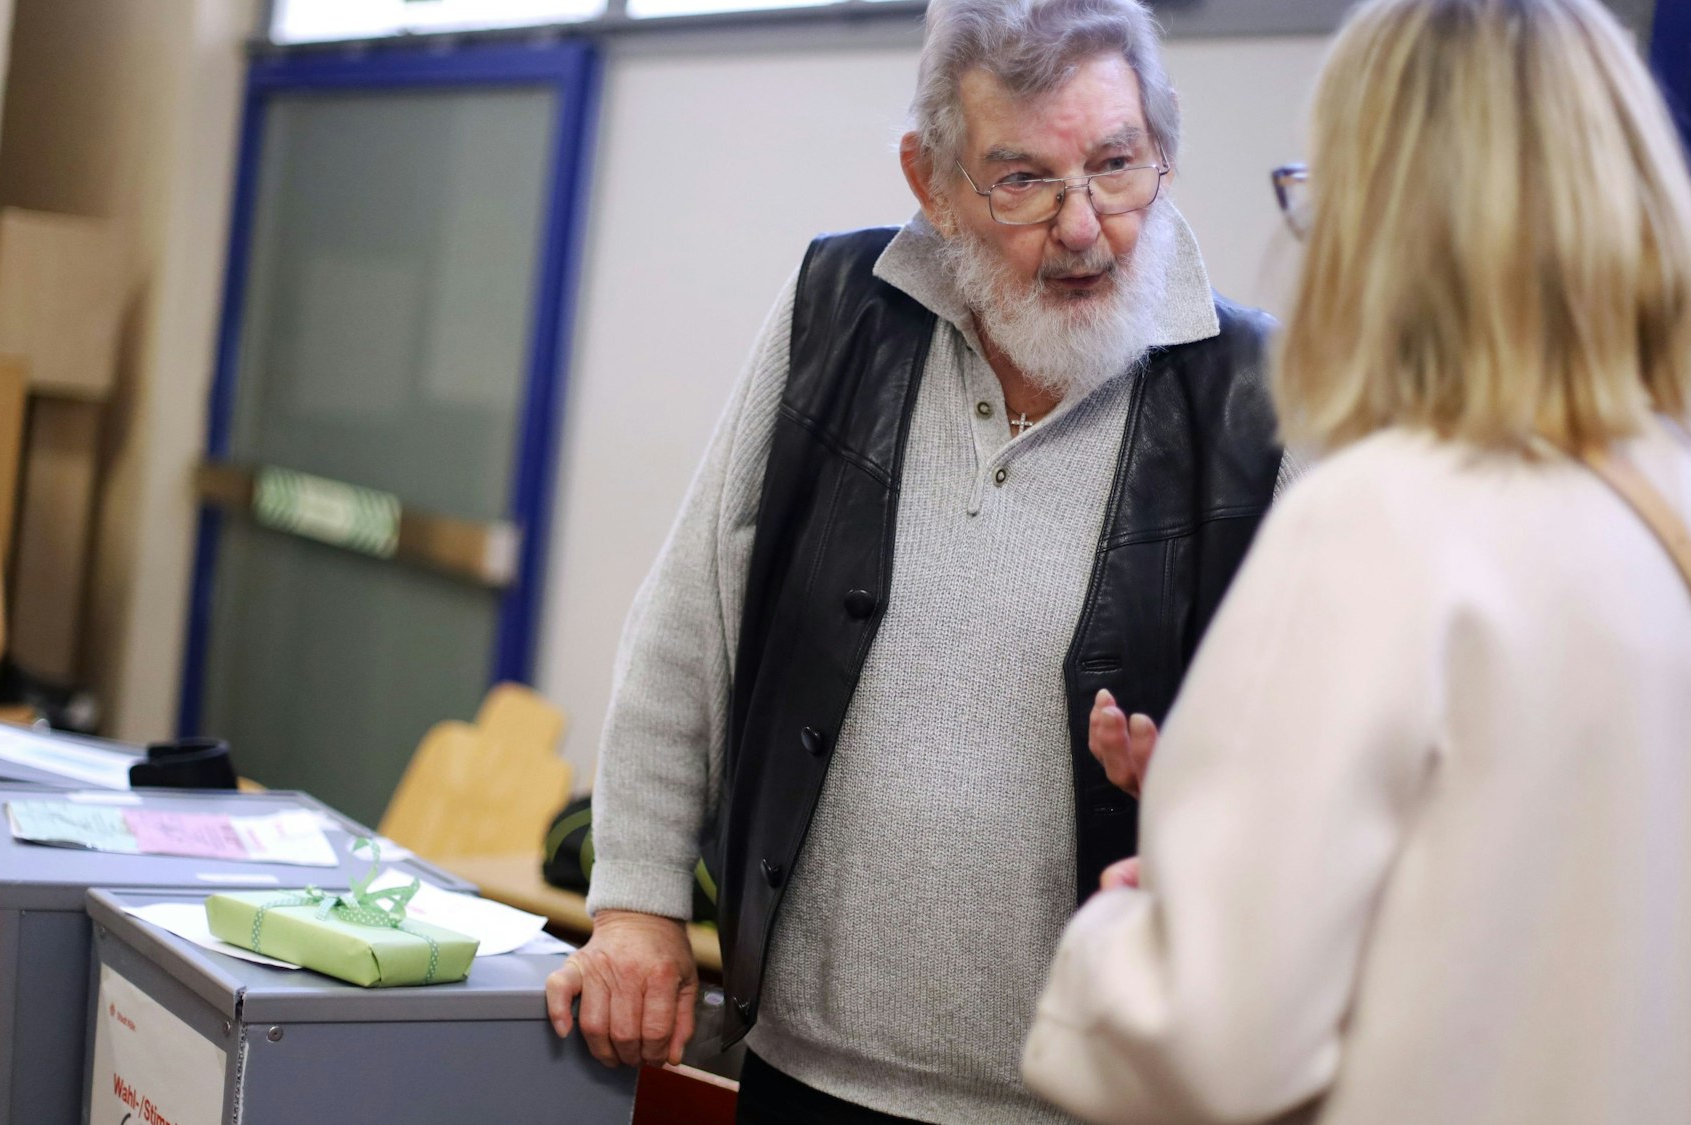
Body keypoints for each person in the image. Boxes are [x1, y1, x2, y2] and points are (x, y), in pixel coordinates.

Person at [1021, 0, 1691, 1122]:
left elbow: (1202, 1045)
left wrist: (1137, 925)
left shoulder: (1379, 522)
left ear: (1382, 225)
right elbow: (1608, 891)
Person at [543, 0, 1288, 1119]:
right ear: (931, 182)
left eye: (1115, 166)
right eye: (1023, 180)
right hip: (803, 1073)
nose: (1083, 226)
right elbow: (687, 618)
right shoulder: (836, 315)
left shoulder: (1254, 399)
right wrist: (638, 900)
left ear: (1163, 155)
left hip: (1090, 1097)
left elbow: (1332, 755)